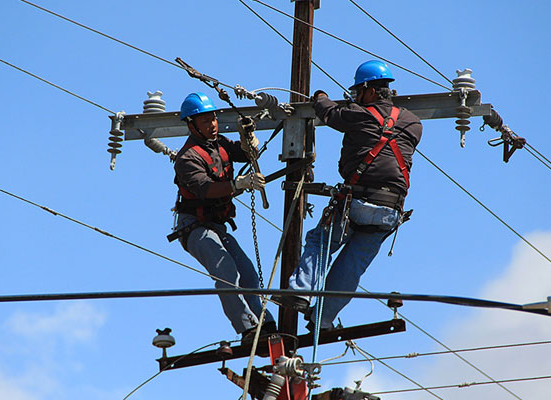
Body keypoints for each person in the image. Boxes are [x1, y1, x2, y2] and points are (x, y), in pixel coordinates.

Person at [279, 60, 422, 332]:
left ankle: (300, 291)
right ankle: (323, 319)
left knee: (321, 242)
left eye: (357, 92)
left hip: (356, 201)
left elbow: (329, 113)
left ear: (368, 90)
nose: (355, 98)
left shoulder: (359, 114)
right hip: (389, 210)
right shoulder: (413, 123)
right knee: (352, 265)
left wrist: (320, 96)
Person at [168, 92, 275, 337]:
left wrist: (248, 141)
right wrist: (239, 184)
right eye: (205, 121)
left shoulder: (220, 144)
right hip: (194, 226)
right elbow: (204, 189)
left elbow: (246, 154)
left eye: (213, 119)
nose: (212, 125)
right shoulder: (187, 157)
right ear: (191, 124)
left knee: (247, 272)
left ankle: (265, 324)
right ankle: (247, 328)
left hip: (216, 225)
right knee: (226, 271)